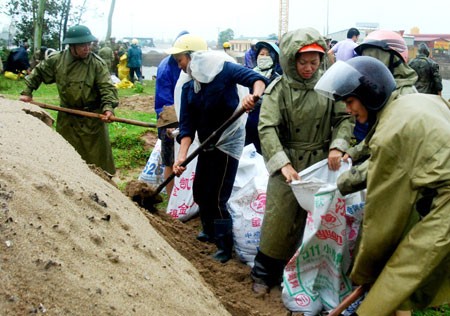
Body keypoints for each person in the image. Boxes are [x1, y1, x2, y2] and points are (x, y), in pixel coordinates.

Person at [314, 55, 450, 316]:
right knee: (397, 286)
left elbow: (382, 218)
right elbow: (386, 163)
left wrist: (363, 271)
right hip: (438, 197)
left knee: (395, 278)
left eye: (350, 101)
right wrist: (344, 182)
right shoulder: (412, 104)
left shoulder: (391, 134)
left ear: (371, 94)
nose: (348, 109)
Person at [250, 27, 353, 294]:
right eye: (303, 62)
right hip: (288, 163)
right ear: (290, 60)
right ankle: (263, 273)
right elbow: (267, 127)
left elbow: (344, 118)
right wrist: (282, 163)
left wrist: (337, 146)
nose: (309, 68)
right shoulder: (279, 89)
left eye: (314, 62)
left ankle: (305, 276)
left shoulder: (330, 86)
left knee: (320, 223)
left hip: (320, 162)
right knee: (278, 220)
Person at [170, 43, 267, 263]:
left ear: (192, 57)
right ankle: (209, 230)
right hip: (207, 142)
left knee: (217, 196)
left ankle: (224, 245)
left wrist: (254, 97)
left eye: (181, 60)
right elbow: (187, 126)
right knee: (200, 190)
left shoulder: (224, 71)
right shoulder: (189, 88)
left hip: (229, 141)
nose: (180, 66)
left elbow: (257, 80)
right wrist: (181, 156)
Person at [19, 25, 119, 175]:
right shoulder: (57, 60)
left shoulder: (97, 64)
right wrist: (27, 92)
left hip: (91, 121)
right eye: (82, 45)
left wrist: (108, 108)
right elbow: (38, 73)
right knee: (66, 160)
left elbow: (107, 88)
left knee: (97, 164)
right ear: (72, 46)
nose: (87, 48)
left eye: (89, 44)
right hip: (67, 119)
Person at [337, 29, 419, 196]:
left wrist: (344, 182)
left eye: (373, 59)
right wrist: (355, 152)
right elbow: (378, 137)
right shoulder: (384, 92)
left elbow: (386, 153)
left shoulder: (403, 97)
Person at [154, 30, 191, 196]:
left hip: (189, 118)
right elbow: (164, 101)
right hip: (170, 120)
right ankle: (171, 200)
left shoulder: (195, 64)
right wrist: (171, 126)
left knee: (188, 160)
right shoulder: (166, 68)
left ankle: (187, 198)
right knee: (170, 161)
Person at [245, 41, 281, 153]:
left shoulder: (278, 79)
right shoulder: (248, 74)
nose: (264, 57)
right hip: (247, 126)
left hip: (266, 127)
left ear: (274, 58)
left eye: (268, 55)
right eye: (261, 54)